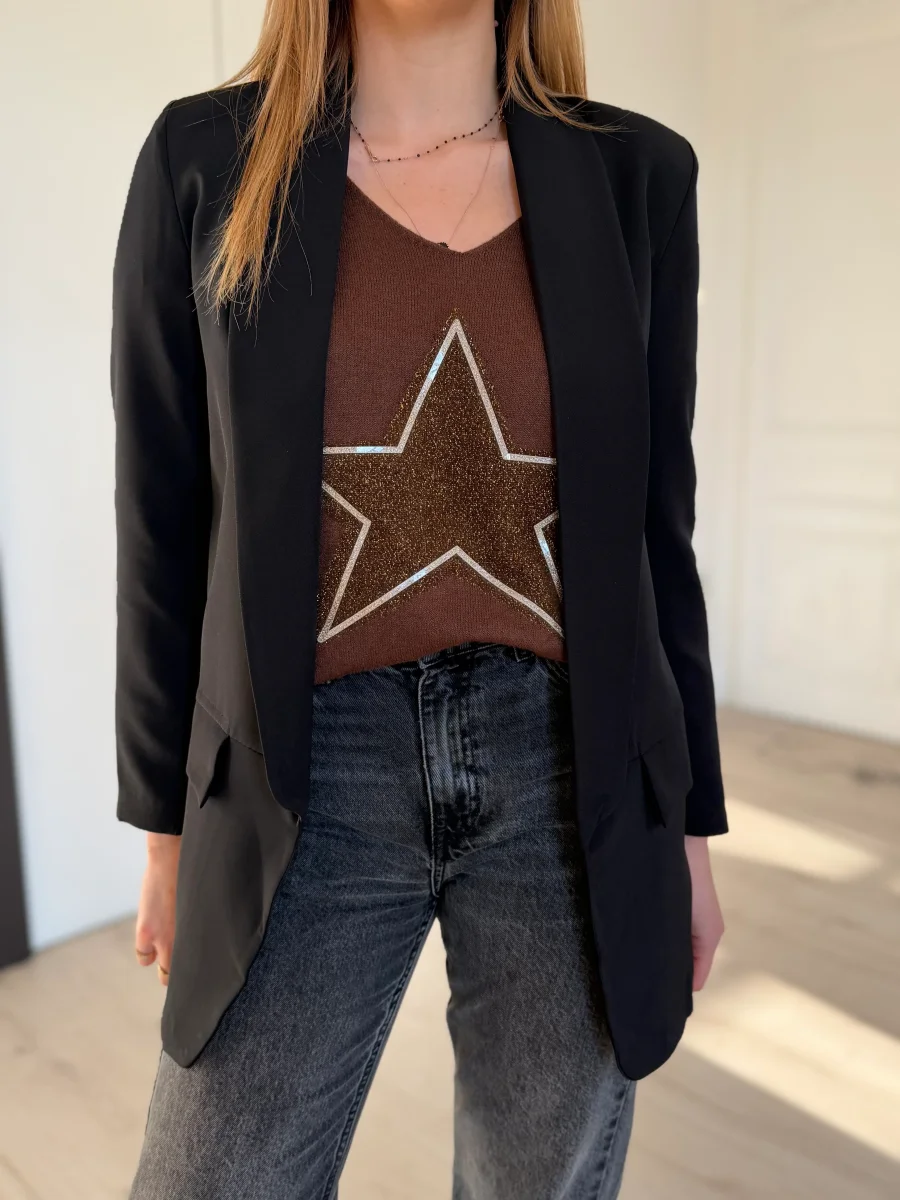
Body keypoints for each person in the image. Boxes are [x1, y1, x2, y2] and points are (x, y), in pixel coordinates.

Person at [112, 0, 727, 1196]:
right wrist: (166, 829)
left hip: (572, 779)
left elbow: (661, 533)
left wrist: (689, 827)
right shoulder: (205, 161)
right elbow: (162, 516)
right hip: (306, 777)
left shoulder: (639, 178)